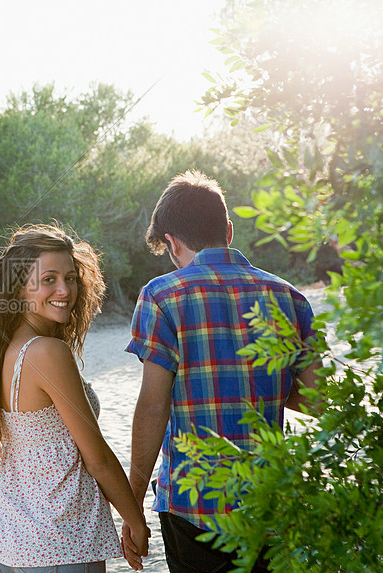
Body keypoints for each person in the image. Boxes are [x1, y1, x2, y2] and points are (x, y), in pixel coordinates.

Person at [123, 170, 321, 572]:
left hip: (193, 504)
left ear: (172, 243)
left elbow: (153, 406)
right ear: (228, 230)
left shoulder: (161, 296)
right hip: (271, 503)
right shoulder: (289, 297)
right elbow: (320, 400)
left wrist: (133, 504)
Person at [0, 224, 150, 573]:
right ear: (19, 287)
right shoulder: (47, 353)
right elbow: (96, 457)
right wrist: (136, 522)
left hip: (8, 545)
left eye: (70, 278)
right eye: (48, 279)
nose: (64, 290)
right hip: (59, 545)